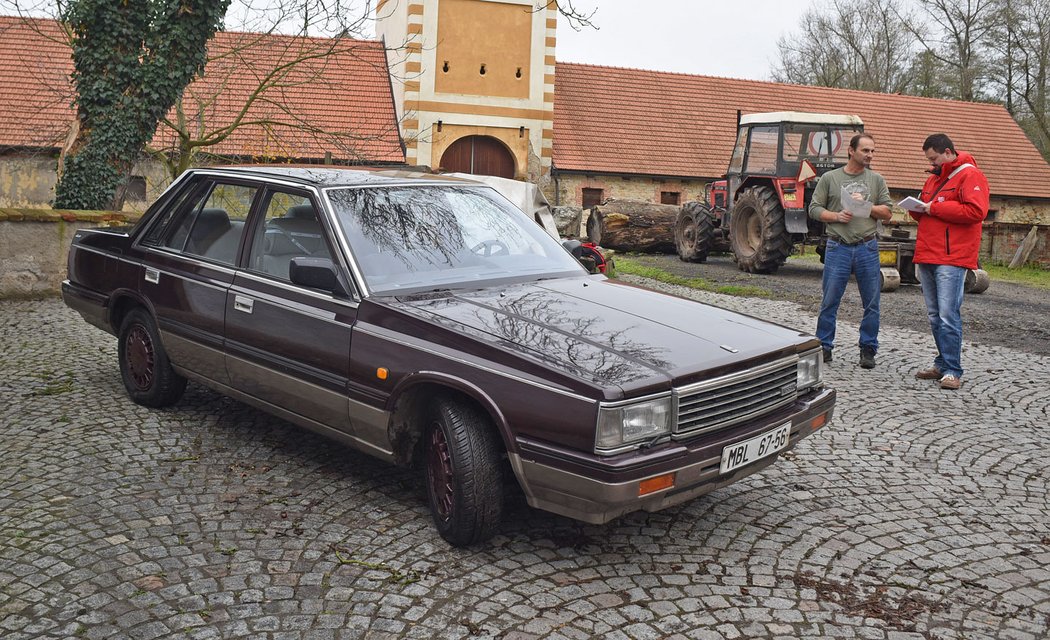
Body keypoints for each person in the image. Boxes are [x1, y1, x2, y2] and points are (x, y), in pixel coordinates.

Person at [908, 133, 990, 390]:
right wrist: (918, 207)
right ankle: (942, 363)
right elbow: (928, 208)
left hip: (952, 257)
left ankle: (953, 370)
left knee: (948, 314)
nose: (931, 164)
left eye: (934, 158)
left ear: (947, 152)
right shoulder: (933, 178)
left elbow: (977, 211)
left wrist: (935, 208)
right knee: (935, 315)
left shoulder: (970, 175)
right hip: (928, 253)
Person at [809, 133, 893, 368]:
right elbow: (814, 209)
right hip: (838, 247)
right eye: (866, 150)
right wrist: (835, 216)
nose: (870, 155)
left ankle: (868, 349)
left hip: (867, 246)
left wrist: (865, 207)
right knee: (830, 300)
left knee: (872, 302)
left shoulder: (876, 180)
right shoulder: (830, 178)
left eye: (873, 151)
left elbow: (887, 212)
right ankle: (824, 346)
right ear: (851, 151)